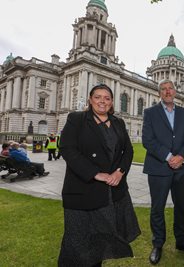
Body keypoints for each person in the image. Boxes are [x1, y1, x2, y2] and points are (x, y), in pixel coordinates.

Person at [58, 84, 141, 267]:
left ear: (111, 102)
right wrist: (95, 173)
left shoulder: (118, 122)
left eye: (107, 98)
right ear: (90, 99)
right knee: (77, 245)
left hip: (110, 194)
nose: (102, 101)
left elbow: (128, 151)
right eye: (97, 97)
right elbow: (67, 149)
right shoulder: (77, 119)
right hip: (83, 190)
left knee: (100, 243)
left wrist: (120, 171)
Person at [142, 79, 184, 265]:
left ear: (175, 92)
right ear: (159, 92)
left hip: (182, 168)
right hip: (159, 167)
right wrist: (169, 157)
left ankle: (182, 242)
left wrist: (181, 157)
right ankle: (158, 244)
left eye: (170, 89)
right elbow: (147, 140)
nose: (167, 92)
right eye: (163, 89)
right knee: (157, 208)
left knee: (182, 207)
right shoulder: (150, 113)